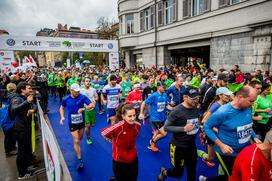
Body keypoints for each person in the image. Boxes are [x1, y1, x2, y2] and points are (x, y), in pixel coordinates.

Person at [201, 86, 261, 181]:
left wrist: (254, 137)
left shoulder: (248, 108)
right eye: (251, 101)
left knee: (242, 175)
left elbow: (248, 125)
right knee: (232, 177)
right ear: (240, 97)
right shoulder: (223, 111)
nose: (253, 104)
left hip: (244, 151)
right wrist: (221, 145)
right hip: (228, 154)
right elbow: (207, 126)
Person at [158, 87, 201, 181]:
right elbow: (166, 127)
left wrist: (199, 126)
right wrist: (184, 129)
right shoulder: (177, 110)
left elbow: (194, 121)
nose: (196, 100)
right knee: (177, 173)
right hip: (178, 147)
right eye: (193, 99)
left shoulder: (195, 107)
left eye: (197, 98)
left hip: (191, 146)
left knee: (192, 172)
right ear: (185, 97)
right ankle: (164, 172)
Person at [59, 83, 95, 171]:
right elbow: (61, 108)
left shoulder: (82, 97)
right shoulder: (66, 98)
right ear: (71, 90)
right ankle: (80, 159)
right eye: (76, 92)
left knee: (80, 137)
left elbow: (92, 105)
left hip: (81, 122)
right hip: (72, 123)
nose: (77, 93)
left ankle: (77, 146)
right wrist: (62, 117)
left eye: (78, 91)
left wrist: (83, 109)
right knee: (76, 140)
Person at [101, 104, 141, 181]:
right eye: (129, 116)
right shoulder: (118, 127)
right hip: (119, 161)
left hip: (133, 159)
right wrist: (114, 142)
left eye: (134, 115)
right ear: (123, 116)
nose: (133, 118)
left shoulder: (138, 126)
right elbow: (103, 132)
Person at [199, 87, 232, 167]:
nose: (228, 96)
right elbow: (204, 121)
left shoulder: (226, 104)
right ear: (220, 96)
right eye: (226, 95)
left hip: (219, 133)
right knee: (210, 157)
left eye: (228, 95)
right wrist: (215, 129)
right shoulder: (216, 106)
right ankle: (196, 152)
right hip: (212, 133)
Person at [10, 82, 37, 179]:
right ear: (22, 89)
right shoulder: (16, 99)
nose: (31, 90)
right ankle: (22, 173)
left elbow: (34, 106)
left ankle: (25, 168)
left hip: (26, 128)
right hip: (20, 130)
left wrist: (32, 109)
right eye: (29, 88)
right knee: (21, 152)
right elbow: (13, 110)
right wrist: (27, 103)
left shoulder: (27, 97)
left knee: (26, 150)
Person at [139, 81, 173, 152]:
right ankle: (153, 142)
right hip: (155, 118)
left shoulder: (165, 95)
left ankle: (150, 144)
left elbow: (167, 106)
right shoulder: (154, 95)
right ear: (158, 87)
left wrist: (175, 109)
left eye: (165, 87)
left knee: (158, 132)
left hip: (162, 117)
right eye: (163, 87)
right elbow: (144, 103)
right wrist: (141, 113)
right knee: (164, 133)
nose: (165, 88)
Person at [80, 77, 98, 145]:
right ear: (84, 82)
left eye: (89, 81)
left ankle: (88, 126)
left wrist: (95, 101)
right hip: (85, 110)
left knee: (93, 125)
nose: (88, 82)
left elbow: (96, 97)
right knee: (87, 126)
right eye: (86, 81)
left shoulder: (93, 90)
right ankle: (88, 138)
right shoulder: (81, 91)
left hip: (92, 110)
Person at [4, 83, 17, 157]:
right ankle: (8, 151)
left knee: (10, 135)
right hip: (8, 117)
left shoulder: (7, 94)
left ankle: (12, 148)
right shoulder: (11, 96)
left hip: (7, 117)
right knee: (8, 135)